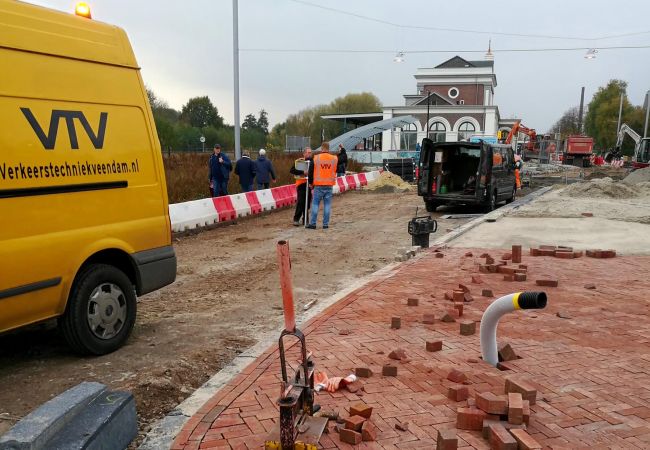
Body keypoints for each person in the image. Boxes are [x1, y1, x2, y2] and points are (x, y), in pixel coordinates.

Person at [307, 142, 338, 230]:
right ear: (328, 148)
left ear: (322, 148)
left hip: (318, 185)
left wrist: (310, 183)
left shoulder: (316, 158)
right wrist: (342, 150)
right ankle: (325, 224)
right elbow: (342, 161)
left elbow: (310, 171)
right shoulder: (334, 158)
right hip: (329, 185)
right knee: (327, 205)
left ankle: (313, 224)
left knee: (315, 204)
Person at [290, 147, 313, 226]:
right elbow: (292, 170)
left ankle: (305, 219)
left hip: (309, 184)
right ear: (304, 153)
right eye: (308, 152)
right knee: (301, 202)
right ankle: (297, 219)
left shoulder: (312, 162)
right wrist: (303, 172)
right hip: (301, 184)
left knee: (307, 202)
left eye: (310, 152)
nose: (310, 154)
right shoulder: (300, 161)